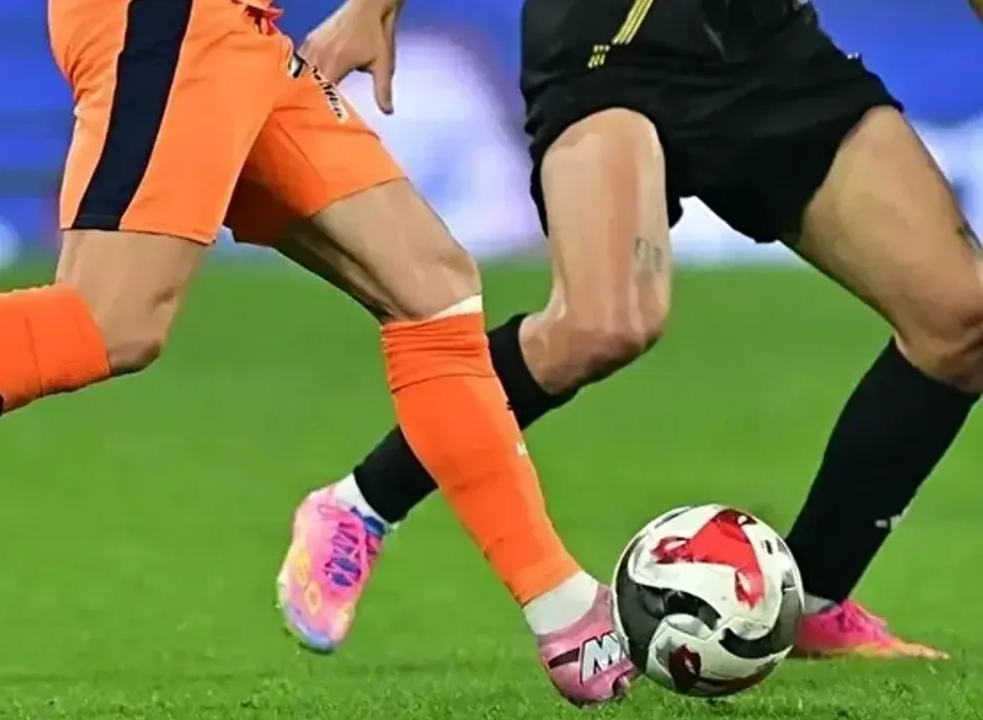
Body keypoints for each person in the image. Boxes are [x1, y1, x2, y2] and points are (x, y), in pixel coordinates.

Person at [0, 0, 635, 701]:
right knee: (113, 318)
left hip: (239, 28)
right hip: (168, 18)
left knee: (432, 284)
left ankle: (559, 604)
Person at [278, 0, 983, 699]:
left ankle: (816, 597)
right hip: (610, 40)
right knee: (602, 324)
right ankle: (361, 503)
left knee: (961, 317)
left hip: (764, 43)